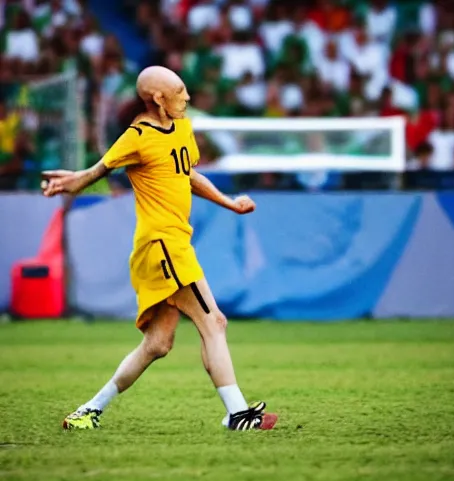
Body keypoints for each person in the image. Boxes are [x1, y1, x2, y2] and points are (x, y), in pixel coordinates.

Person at [41, 66, 278, 431]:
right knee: (214, 321)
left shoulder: (182, 127)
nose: (187, 96)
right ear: (158, 98)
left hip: (173, 243)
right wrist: (72, 181)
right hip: (161, 246)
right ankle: (237, 413)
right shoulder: (136, 137)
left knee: (158, 344)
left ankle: (89, 410)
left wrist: (228, 203)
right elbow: (97, 171)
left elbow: (187, 175)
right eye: (180, 90)